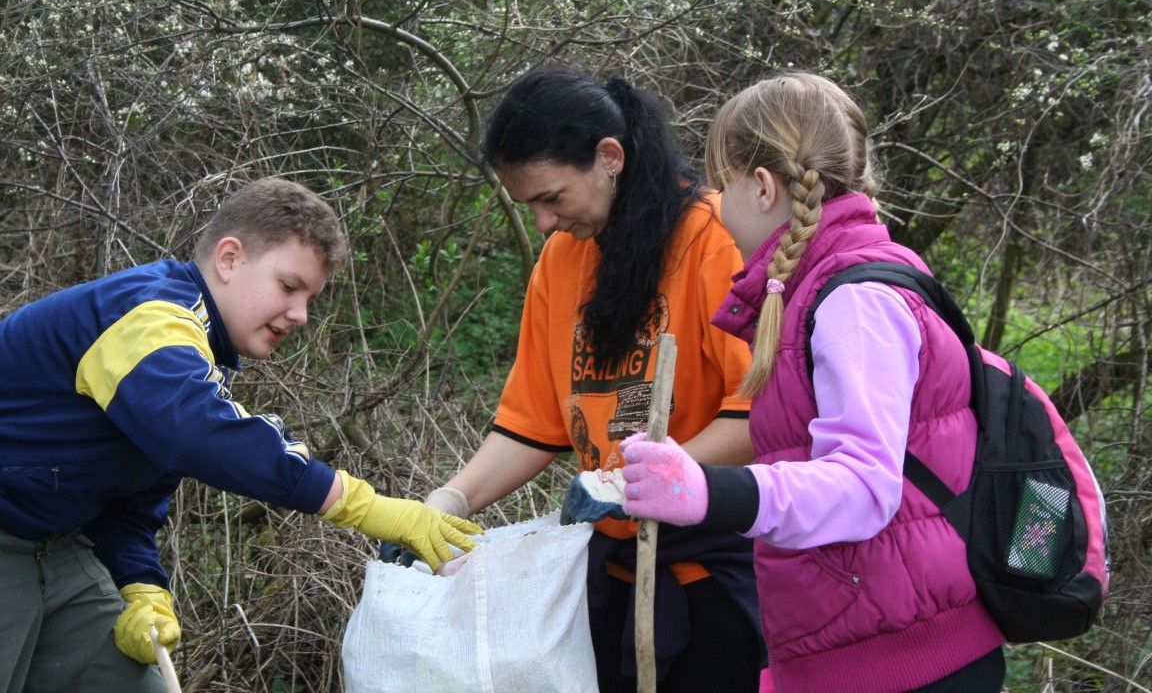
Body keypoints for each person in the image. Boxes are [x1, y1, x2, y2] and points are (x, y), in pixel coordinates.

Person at [0, 176, 481, 693]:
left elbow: (130, 502)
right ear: (229, 259)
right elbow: (196, 431)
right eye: (289, 286)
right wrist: (363, 506)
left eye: (310, 298)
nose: (300, 315)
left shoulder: (196, 355)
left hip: (59, 549)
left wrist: (143, 588)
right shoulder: (150, 318)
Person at [618, 71, 1008, 693]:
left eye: (724, 188)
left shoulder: (856, 301)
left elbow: (862, 486)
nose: (717, 210)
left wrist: (709, 493)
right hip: (858, 648)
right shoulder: (819, 288)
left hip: (906, 665)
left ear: (764, 187)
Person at [417, 68, 764, 692]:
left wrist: (634, 481)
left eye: (553, 197)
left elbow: (759, 416)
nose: (544, 223)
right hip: (609, 575)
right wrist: (450, 502)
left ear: (610, 158)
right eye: (531, 206)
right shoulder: (560, 261)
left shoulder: (717, 238)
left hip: (713, 574)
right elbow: (532, 424)